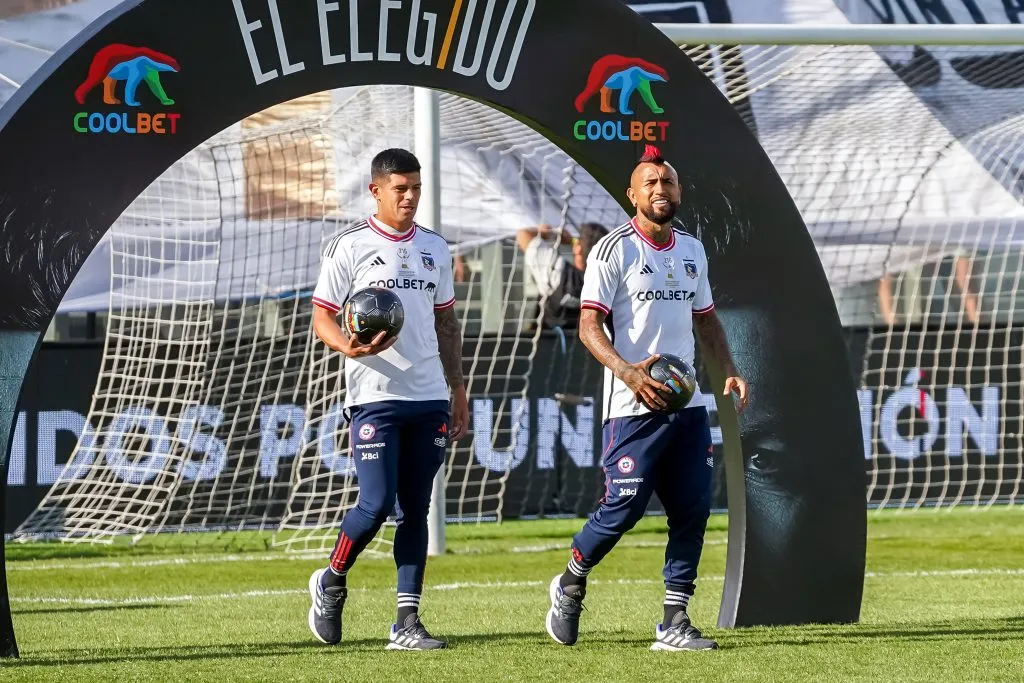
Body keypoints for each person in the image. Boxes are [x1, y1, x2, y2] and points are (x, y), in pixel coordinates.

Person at [545, 145, 749, 651]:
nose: (661, 189)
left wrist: (729, 369)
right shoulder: (613, 250)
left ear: (679, 191)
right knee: (624, 506)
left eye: (668, 182)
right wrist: (628, 374)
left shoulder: (692, 250)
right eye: (651, 183)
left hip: (687, 405)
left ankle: (674, 620)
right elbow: (589, 325)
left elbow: (705, 319)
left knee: (693, 509)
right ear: (632, 195)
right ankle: (571, 579)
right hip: (631, 407)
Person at [307, 148, 469, 651]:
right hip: (374, 397)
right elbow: (322, 316)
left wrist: (458, 388)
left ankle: (406, 622)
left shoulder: (435, 248)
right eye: (400, 188)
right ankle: (331, 581)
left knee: (415, 509)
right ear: (375, 190)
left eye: (415, 188)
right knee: (375, 505)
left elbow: (445, 322)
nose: (410, 197)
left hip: (429, 397)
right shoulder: (349, 246)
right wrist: (347, 345)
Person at [516, 222, 609, 329]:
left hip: (548, 341)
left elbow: (524, 235)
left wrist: (551, 234)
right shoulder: (606, 283)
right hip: (586, 343)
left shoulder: (559, 271)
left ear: (578, 248)